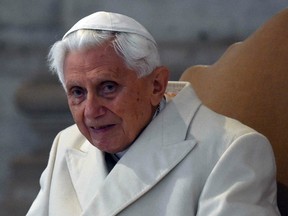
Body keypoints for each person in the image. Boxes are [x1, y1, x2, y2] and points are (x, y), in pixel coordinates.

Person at [27, 11, 280, 216]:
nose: (91, 111)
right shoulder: (67, 143)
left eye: (108, 87)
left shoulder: (230, 151)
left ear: (156, 85)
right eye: (77, 92)